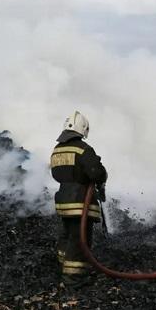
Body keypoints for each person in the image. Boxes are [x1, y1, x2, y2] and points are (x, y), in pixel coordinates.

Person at [50, 111, 107, 277]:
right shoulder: (83, 149)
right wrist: (102, 174)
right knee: (80, 241)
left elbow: (55, 174)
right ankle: (74, 279)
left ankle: (60, 267)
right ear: (83, 129)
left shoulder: (57, 150)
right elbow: (96, 173)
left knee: (66, 235)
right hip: (80, 201)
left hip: (63, 200)